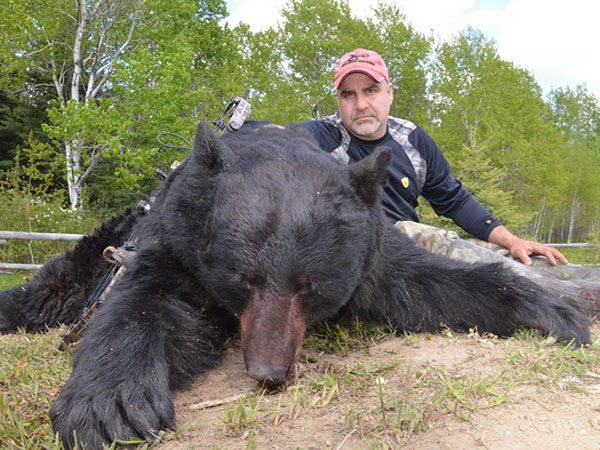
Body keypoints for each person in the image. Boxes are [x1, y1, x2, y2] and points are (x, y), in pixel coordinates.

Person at [293, 48, 600, 315]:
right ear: (338, 100)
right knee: (460, 254)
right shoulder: (320, 137)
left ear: (389, 92)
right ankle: (582, 298)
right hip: (383, 256)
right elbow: (273, 136)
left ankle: (587, 277)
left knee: (515, 257)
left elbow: (453, 199)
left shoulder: (411, 138)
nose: (360, 104)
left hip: (417, 249)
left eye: (370, 90)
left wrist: (512, 241)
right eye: (349, 94)